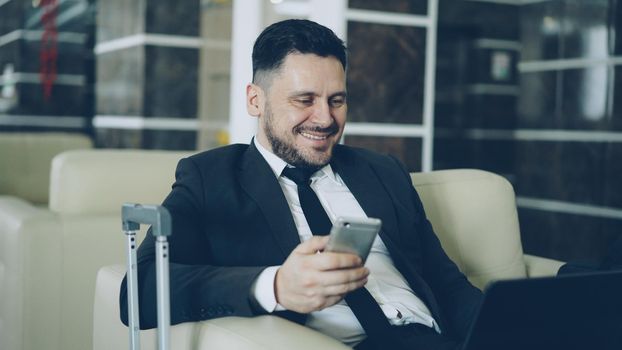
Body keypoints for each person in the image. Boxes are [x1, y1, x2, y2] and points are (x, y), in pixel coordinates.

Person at [120, 19, 482, 350]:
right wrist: (275, 286)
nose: (325, 119)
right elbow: (139, 291)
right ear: (255, 100)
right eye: (304, 100)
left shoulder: (384, 172)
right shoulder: (209, 178)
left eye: (336, 100)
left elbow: (447, 285)